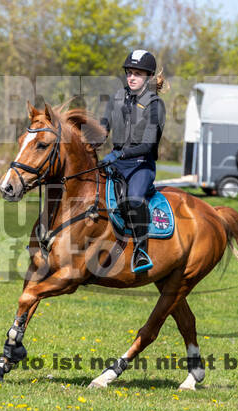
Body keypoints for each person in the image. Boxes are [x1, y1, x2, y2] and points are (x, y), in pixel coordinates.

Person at [98, 49, 167, 273]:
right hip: (115, 162)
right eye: (129, 72)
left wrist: (121, 154)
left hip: (140, 164)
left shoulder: (155, 105)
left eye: (138, 73)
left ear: (148, 77)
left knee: (135, 200)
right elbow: (102, 130)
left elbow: (148, 145)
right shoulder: (116, 99)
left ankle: (140, 251)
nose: (132, 77)